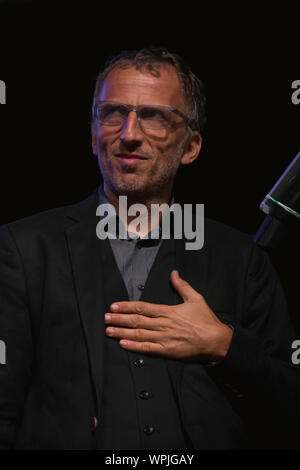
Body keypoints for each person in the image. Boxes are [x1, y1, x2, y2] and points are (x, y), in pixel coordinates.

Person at [0, 47, 299, 450]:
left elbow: (289, 403)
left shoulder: (242, 260)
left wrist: (225, 346)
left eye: (155, 116)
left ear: (190, 147)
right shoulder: (23, 249)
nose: (129, 134)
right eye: (113, 113)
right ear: (93, 135)